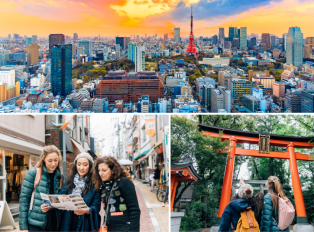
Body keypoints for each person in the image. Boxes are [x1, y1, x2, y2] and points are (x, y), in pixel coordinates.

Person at [19, 145, 63, 232]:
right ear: (44, 159)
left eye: (56, 160)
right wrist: (24, 227)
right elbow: (24, 200)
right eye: (50, 160)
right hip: (36, 225)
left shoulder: (60, 177)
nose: (53, 164)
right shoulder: (33, 173)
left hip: (55, 224)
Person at [93, 156, 141, 232]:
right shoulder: (103, 185)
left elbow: (135, 210)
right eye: (99, 170)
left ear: (112, 170)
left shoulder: (124, 182)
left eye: (104, 170)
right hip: (109, 228)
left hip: (125, 227)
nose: (100, 173)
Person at [59, 152, 101, 232]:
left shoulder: (95, 183)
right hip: (68, 220)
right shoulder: (69, 181)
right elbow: (61, 194)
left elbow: (96, 206)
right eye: (79, 164)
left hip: (85, 223)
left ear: (90, 166)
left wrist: (86, 210)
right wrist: (65, 203)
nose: (81, 168)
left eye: (85, 165)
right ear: (75, 165)